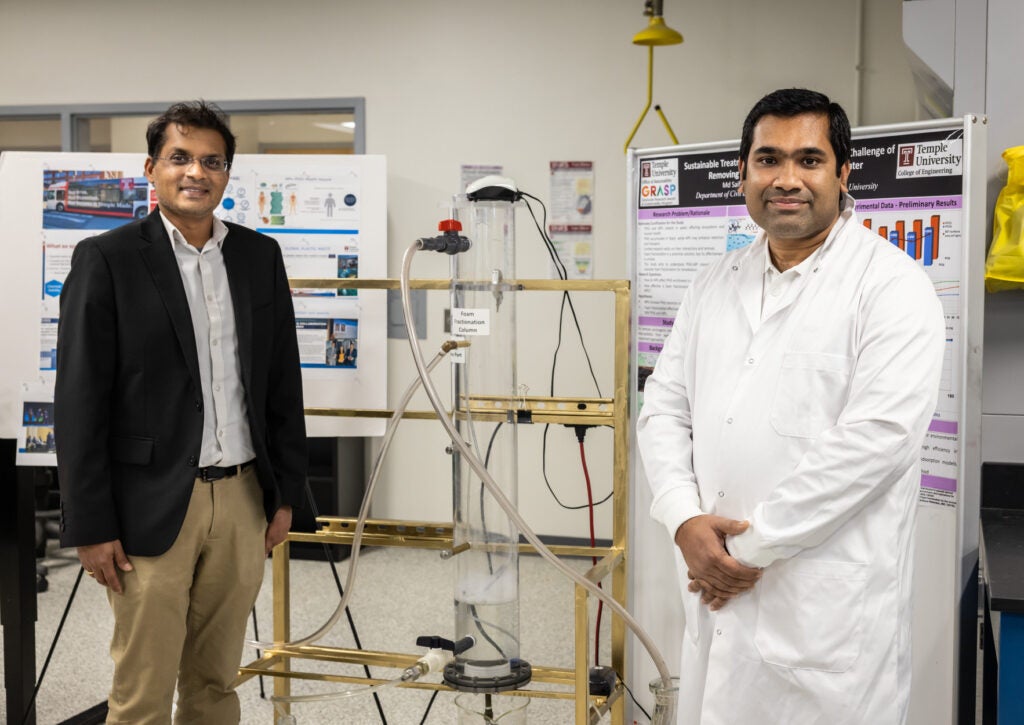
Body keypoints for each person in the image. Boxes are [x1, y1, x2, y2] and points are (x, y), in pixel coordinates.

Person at [637, 88, 945, 725]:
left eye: (809, 159)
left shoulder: (891, 287)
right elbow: (664, 408)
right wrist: (681, 517)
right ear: (744, 173)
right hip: (713, 584)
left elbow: (877, 442)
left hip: (820, 614)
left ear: (842, 173)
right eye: (767, 159)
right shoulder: (713, 284)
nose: (786, 179)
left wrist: (741, 554)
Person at [55, 101, 307, 724]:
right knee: (142, 693)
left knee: (217, 682)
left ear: (226, 173)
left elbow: (280, 384)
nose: (197, 172)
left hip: (244, 497)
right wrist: (89, 523)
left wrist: (286, 493)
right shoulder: (107, 258)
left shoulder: (257, 256)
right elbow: (79, 400)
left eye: (212, 161)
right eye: (181, 158)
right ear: (152, 168)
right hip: (150, 504)